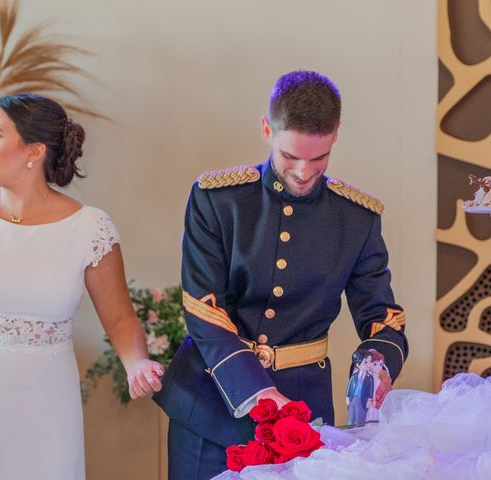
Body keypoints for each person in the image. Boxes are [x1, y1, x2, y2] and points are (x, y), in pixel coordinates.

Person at [153, 70, 409, 479]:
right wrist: (258, 394)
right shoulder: (218, 200)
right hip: (210, 403)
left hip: (304, 412)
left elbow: (383, 315)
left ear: (336, 135)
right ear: (266, 128)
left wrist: (376, 362)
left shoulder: (357, 218)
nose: (304, 172)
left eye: (318, 158)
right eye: (290, 156)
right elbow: (204, 310)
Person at [0, 93, 164, 480]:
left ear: (35, 150)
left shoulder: (90, 228)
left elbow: (120, 317)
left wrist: (136, 362)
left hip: (45, 401)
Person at [346, 350, 375, 426]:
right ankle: (350, 428)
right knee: (351, 416)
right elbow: (349, 387)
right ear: (358, 365)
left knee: (360, 418)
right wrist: (347, 397)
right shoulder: (354, 376)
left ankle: (358, 430)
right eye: (365, 362)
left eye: (370, 361)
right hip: (353, 398)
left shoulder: (370, 377)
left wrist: (369, 400)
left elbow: (371, 390)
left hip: (363, 399)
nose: (369, 364)